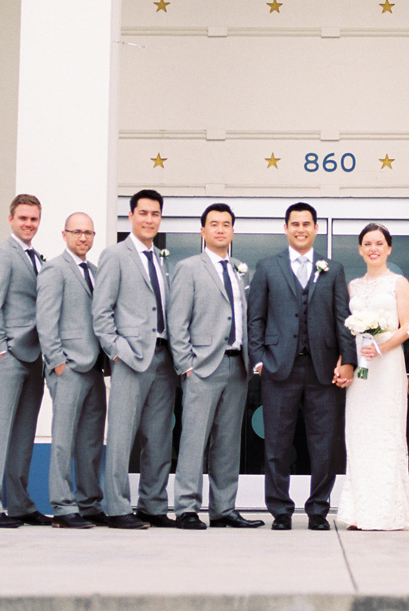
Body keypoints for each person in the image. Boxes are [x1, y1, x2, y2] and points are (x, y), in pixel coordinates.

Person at [246, 201, 356, 531]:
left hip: (322, 370)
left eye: (306, 224)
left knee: (323, 444)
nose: (301, 229)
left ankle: (318, 510)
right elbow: (256, 319)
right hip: (279, 368)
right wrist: (259, 360)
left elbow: (343, 319)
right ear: (285, 228)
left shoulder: (332, 269)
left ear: (316, 228)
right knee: (277, 443)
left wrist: (348, 359)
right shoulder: (267, 266)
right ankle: (280, 510)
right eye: (294, 224)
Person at [167, 203, 264, 530]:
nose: (221, 229)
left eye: (226, 224)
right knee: (194, 440)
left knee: (227, 443)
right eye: (214, 224)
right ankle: (186, 508)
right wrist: (185, 366)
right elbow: (177, 321)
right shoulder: (188, 267)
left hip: (237, 368)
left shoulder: (239, 268)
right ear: (203, 231)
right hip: (202, 368)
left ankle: (224, 508)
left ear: (233, 231)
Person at [92, 188, 178, 529]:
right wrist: (116, 351)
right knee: (121, 436)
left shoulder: (161, 259)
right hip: (130, 359)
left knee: (158, 438)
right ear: (131, 216)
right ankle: (116, 508)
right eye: (143, 213)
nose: (149, 219)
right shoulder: (115, 255)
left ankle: (153, 505)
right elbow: (101, 313)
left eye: (155, 214)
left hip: (162, 359)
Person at [0, 194, 49, 527]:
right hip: (8, 356)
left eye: (33, 219)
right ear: (10, 219)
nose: (29, 224)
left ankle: (19, 503)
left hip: (34, 357)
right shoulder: (1, 255)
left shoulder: (38, 258)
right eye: (23, 218)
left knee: (24, 433)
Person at [337, 223, 409, 531]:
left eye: (379, 243)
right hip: (361, 369)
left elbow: (407, 326)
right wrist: (344, 361)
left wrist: (381, 348)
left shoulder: (399, 283)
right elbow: (346, 330)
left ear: (389, 248)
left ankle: (386, 513)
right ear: (360, 249)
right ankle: (360, 512)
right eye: (368, 244)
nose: (373, 248)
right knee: (359, 434)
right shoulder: (353, 286)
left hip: (387, 365)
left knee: (386, 433)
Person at [35, 211, 107, 529]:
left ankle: (89, 503)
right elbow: (46, 320)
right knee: (64, 439)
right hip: (69, 368)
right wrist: (57, 362)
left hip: (94, 369)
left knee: (91, 441)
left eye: (88, 233)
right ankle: (63, 507)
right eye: (77, 232)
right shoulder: (54, 269)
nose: (83, 238)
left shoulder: (95, 271)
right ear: (64, 235)